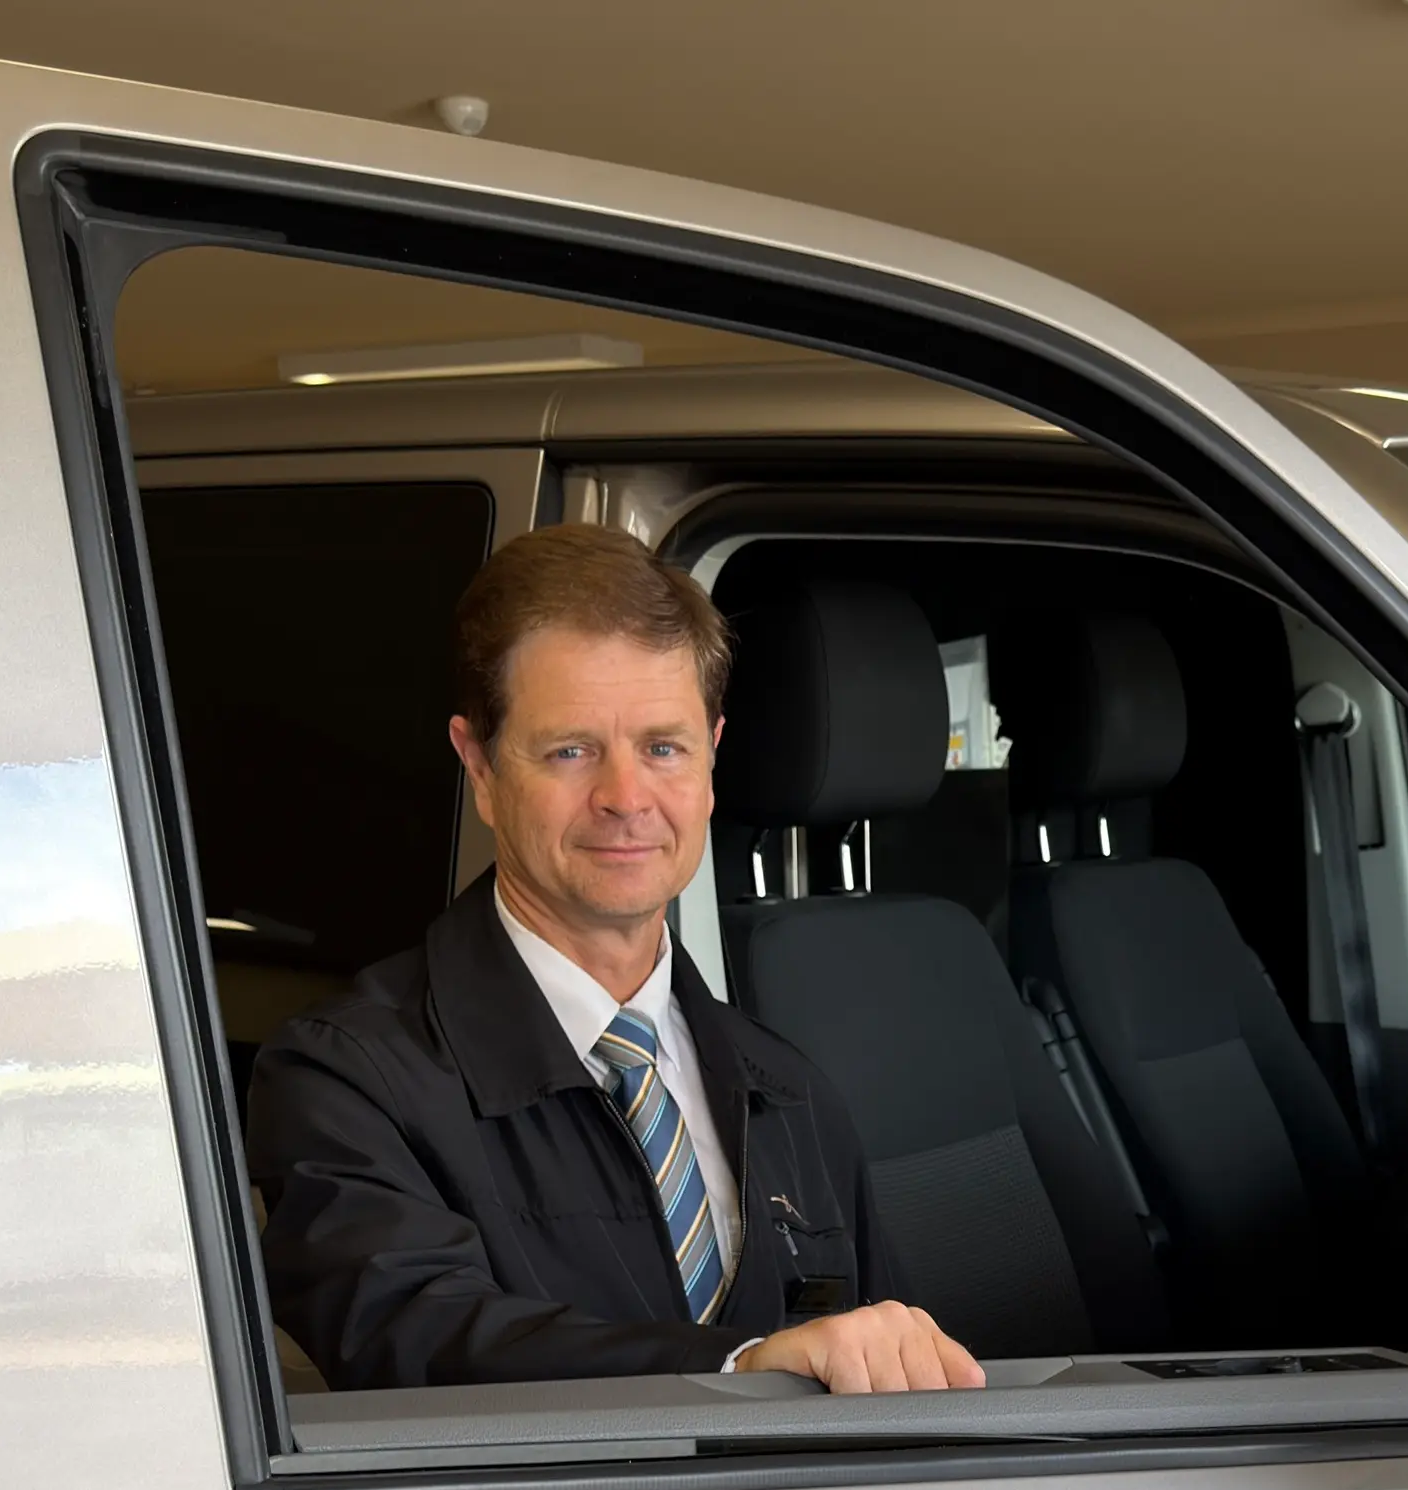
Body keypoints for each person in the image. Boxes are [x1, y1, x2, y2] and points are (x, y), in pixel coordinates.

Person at [247, 524, 984, 1395]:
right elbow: (414, 1339)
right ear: (479, 766)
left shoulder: (788, 1091)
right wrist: (740, 1367)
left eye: (663, 748)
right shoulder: (346, 1080)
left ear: (711, 759)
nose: (626, 798)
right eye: (571, 750)